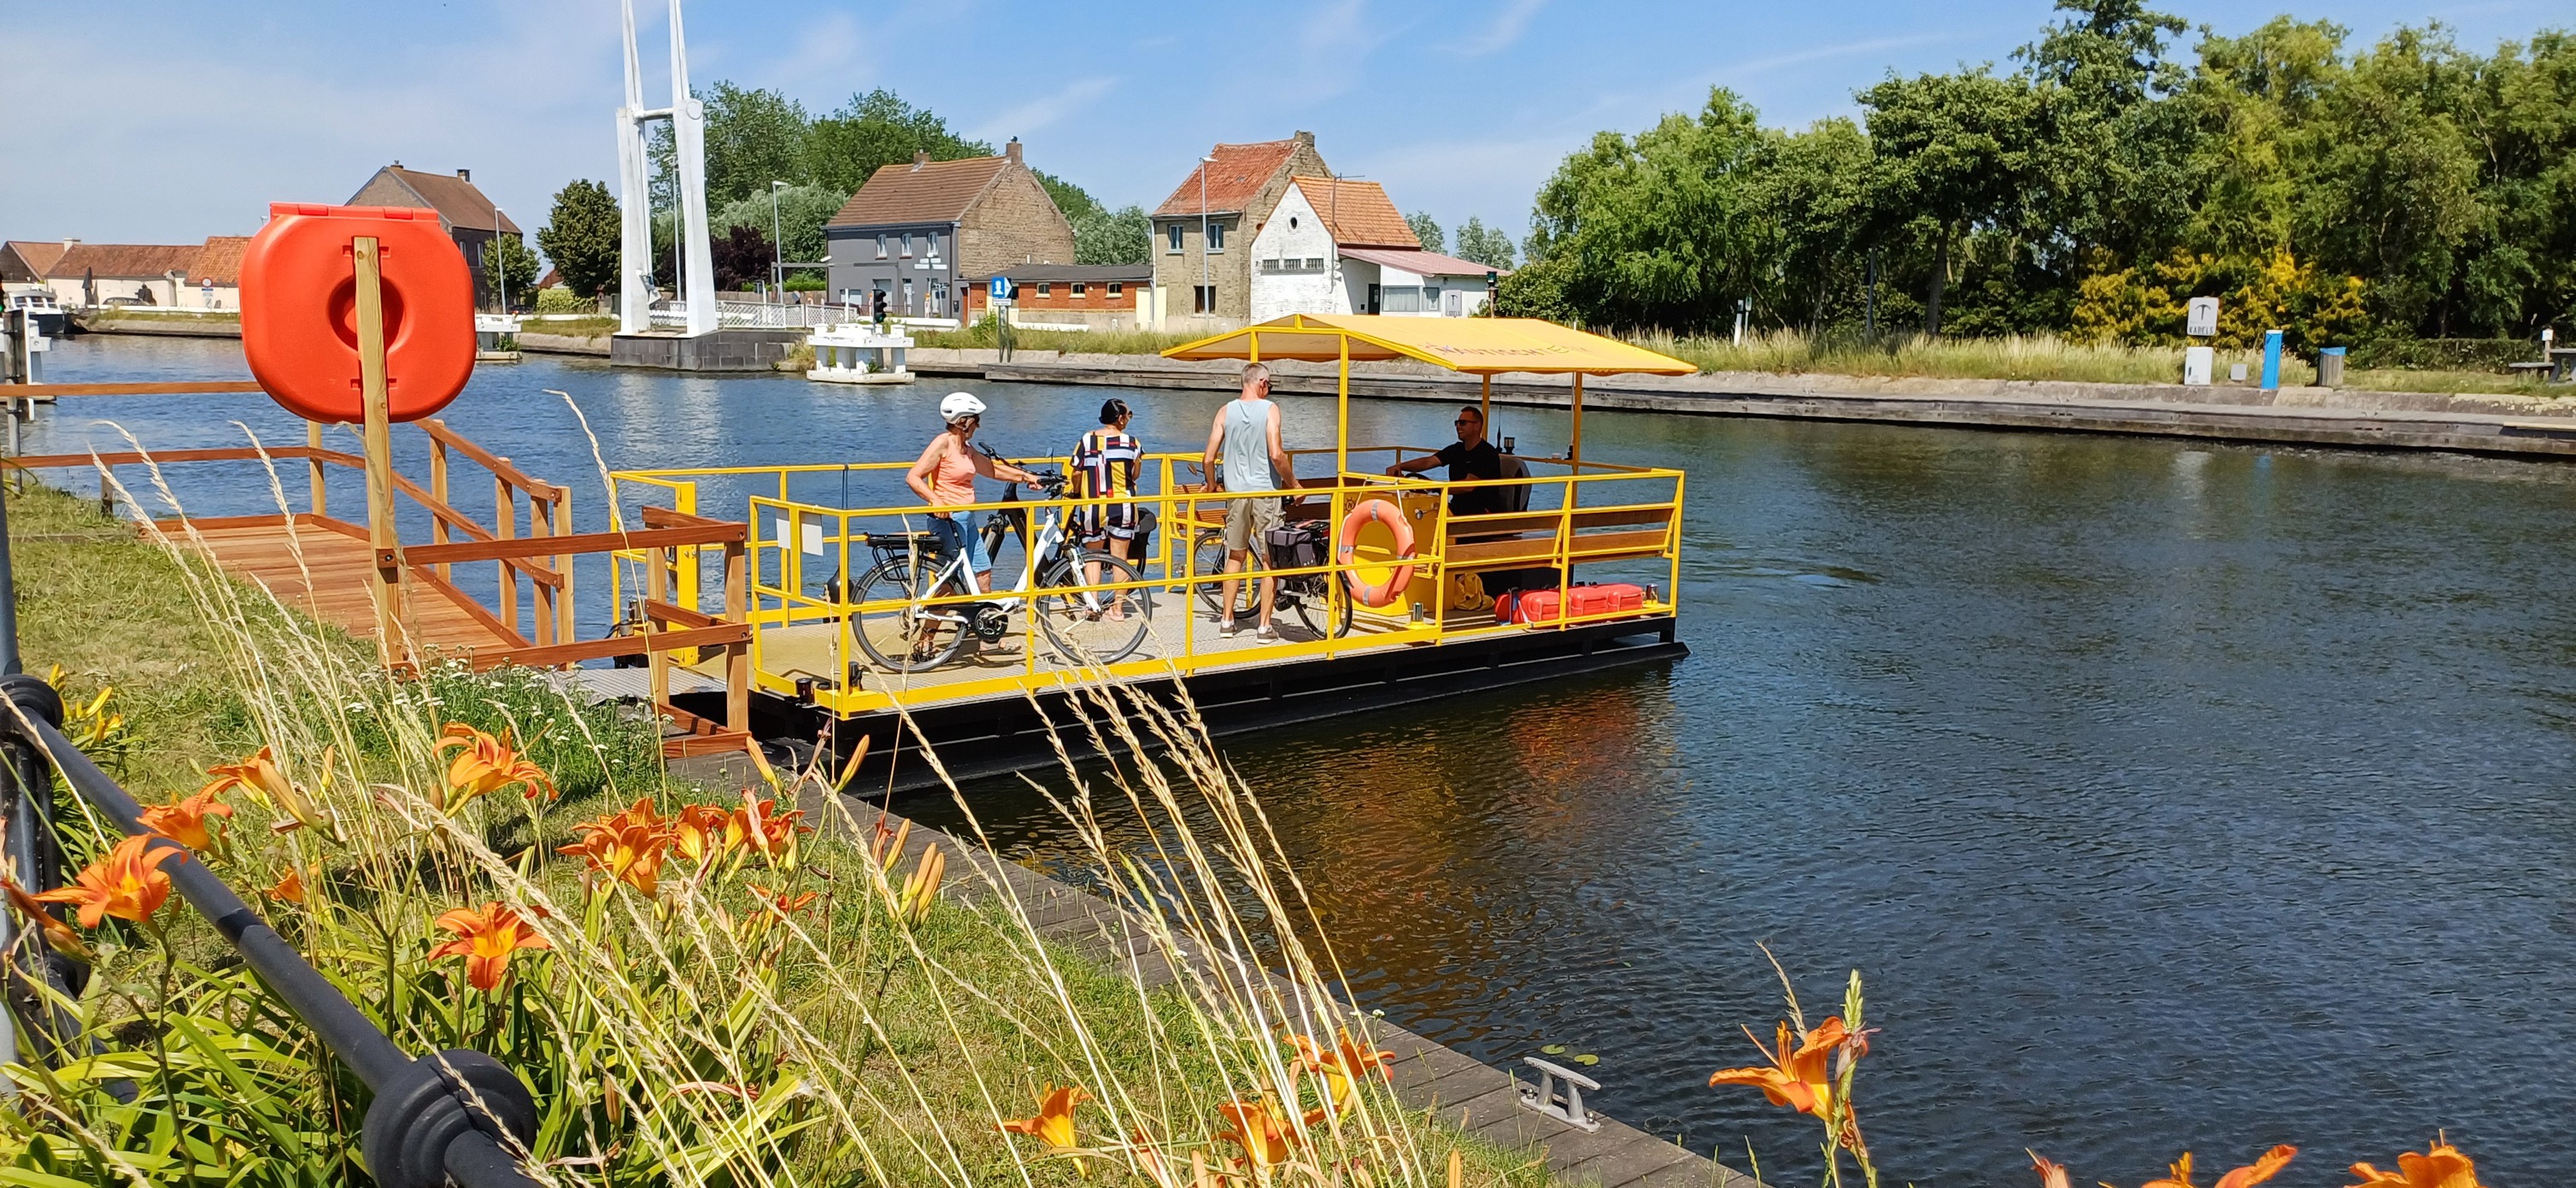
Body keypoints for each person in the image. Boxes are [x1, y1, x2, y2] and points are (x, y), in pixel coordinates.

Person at [906, 391, 1043, 595]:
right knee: (949, 581)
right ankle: (932, 617)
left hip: (967, 518)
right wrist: (936, 501)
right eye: (976, 420)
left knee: (983, 573)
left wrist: (1027, 477)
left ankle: (982, 613)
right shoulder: (943, 443)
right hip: (949, 520)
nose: (978, 426)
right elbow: (913, 477)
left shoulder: (967, 448)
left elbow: (992, 469)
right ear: (963, 422)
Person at [1200, 362, 1295, 641]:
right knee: (1269, 560)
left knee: (1235, 555)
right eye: (1270, 384)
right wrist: (1294, 484)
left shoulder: (1225, 411)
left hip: (1236, 494)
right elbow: (1276, 454)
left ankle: (1227, 621)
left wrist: (1211, 484)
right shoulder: (1270, 409)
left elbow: (1208, 458)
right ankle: (1264, 627)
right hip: (1266, 492)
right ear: (1262, 383)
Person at [1068, 398, 1143, 620]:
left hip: (1093, 505)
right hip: (1123, 506)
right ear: (1120, 419)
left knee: (1093, 556)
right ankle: (1118, 609)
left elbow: (1076, 472)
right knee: (1120, 557)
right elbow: (1135, 474)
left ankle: (1093, 606)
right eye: (1129, 415)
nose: (1129, 419)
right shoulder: (1132, 443)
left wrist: (1076, 491)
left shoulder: (1088, 439)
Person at [1384, 403, 1505, 517]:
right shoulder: (1456, 449)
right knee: (1419, 511)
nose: (1458, 426)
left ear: (1477, 426)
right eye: (1457, 423)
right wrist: (1400, 466)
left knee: (1429, 514)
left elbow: (1468, 486)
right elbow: (1428, 462)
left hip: (1481, 510)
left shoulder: (1487, 453)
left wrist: (1437, 487)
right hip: (1458, 507)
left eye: (1463, 423)